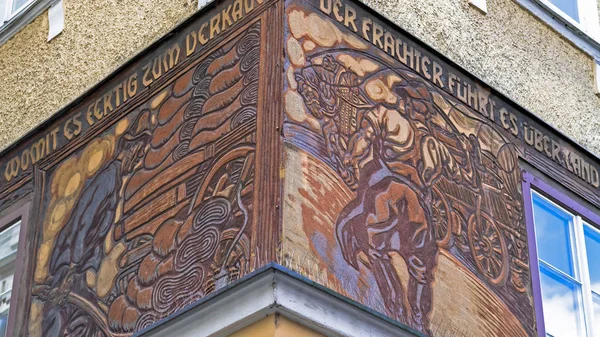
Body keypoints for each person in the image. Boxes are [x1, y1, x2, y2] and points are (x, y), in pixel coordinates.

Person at [295, 55, 465, 334]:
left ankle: (395, 312)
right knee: (421, 267)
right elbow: (434, 175)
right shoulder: (432, 143)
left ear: (407, 102)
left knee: (378, 250)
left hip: (388, 190)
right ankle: (420, 324)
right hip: (416, 202)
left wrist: (351, 155)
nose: (418, 110)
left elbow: (363, 141)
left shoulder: (389, 115)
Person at [36, 117, 151, 337]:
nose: (137, 159)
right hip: (69, 264)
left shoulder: (115, 179)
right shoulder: (107, 178)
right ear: (127, 149)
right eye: (136, 152)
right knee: (62, 315)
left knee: (82, 318)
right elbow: (83, 223)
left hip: (79, 266)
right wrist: (72, 267)